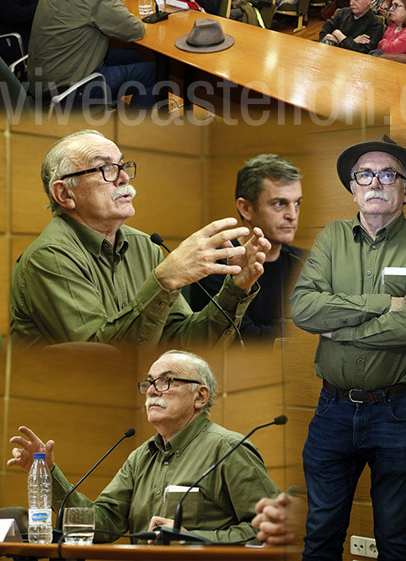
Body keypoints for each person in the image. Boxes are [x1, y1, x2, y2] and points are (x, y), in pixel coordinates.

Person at [290, 134, 406, 561]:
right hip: (332, 409)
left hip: (398, 409)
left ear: (405, 189)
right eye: (365, 174)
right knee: (321, 530)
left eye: (387, 174)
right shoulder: (331, 237)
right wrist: (381, 304)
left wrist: (340, 330)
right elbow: (304, 309)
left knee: (394, 532)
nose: (375, 182)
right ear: (352, 187)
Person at [10, 130, 269, 347]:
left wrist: (235, 288)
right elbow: (102, 360)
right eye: (106, 169)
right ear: (65, 194)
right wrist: (164, 281)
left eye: (122, 166)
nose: (123, 178)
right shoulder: (49, 258)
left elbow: (178, 341)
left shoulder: (146, 246)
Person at [8, 350, 279, 543]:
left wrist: (192, 537)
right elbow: (104, 524)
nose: (151, 391)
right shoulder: (140, 456)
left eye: (165, 381)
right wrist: (48, 473)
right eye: (149, 383)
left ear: (200, 396)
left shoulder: (229, 449)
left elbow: (269, 530)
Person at [27, 0, 156, 108]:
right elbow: (134, 30)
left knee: (133, 55)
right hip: (69, 89)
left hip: (44, 79)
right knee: (157, 73)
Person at [191, 155, 306, 338]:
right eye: (279, 204)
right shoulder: (215, 265)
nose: (292, 215)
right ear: (246, 208)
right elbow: (239, 338)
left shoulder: (309, 262)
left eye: (297, 203)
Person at [319, 0, 384, 53]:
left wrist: (337, 34)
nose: (351, 3)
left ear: (369, 0)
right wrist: (352, 41)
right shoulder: (342, 12)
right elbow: (323, 33)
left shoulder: (376, 24)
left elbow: (363, 51)